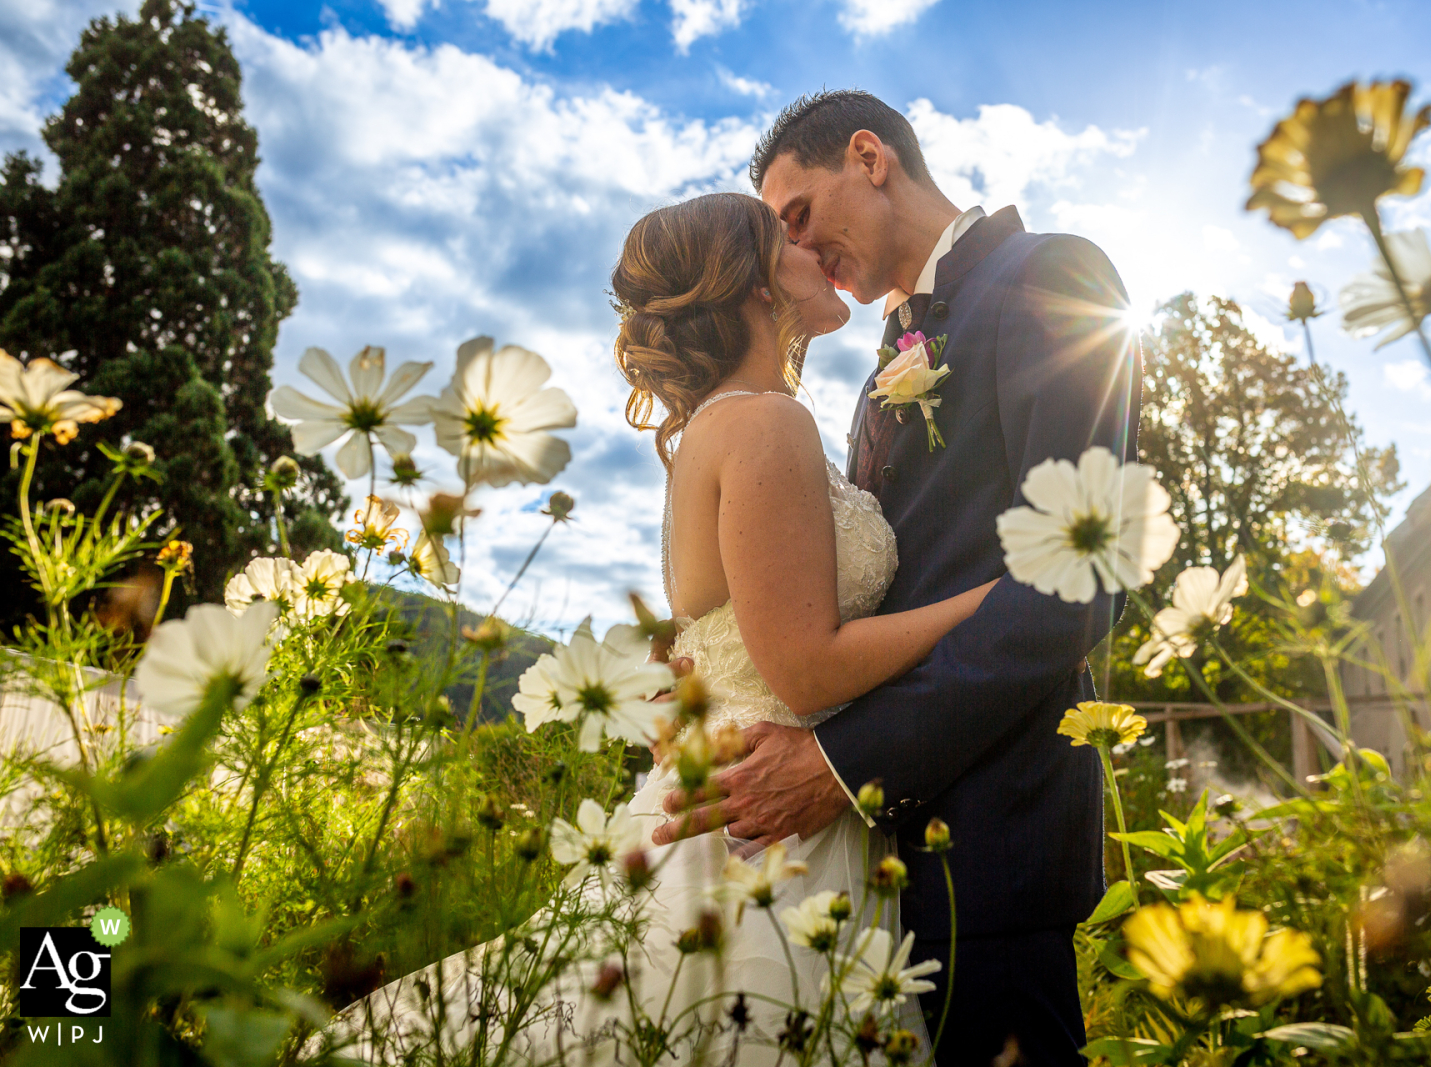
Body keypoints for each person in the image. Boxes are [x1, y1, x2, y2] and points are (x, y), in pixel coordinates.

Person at [333, 190, 996, 1063]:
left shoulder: (713, 430)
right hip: (764, 837)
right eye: (785, 239)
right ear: (757, 285)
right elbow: (803, 669)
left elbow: (714, 635)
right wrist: (991, 598)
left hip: (746, 802)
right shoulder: (766, 422)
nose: (810, 247)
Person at [652, 90, 1142, 1065]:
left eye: (793, 215)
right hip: (852, 864)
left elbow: (1084, 570)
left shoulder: (1051, 273)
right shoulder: (880, 360)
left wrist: (842, 762)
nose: (790, 247)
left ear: (868, 157)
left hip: (990, 840)